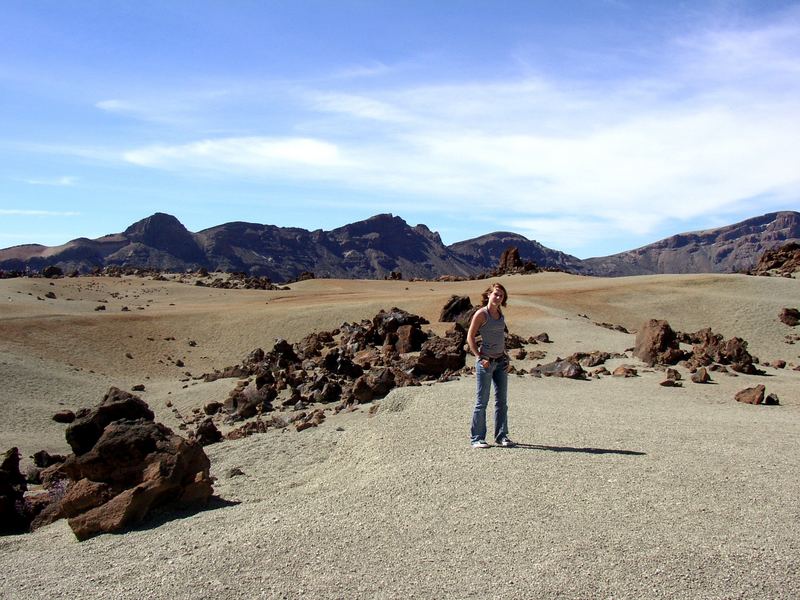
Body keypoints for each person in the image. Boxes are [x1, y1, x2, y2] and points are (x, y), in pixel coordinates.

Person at [467, 282, 515, 448]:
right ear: (488, 295)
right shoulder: (482, 314)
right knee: (482, 401)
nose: (498, 297)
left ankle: (502, 436)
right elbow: (470, 337)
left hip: (500, 361)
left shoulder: (499, 313)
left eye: (501, 295)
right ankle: (477, 438)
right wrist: (480, 357)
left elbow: (500, 335)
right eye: (495, 294)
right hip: (486, 363)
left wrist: (505, 355)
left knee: (502, 401)